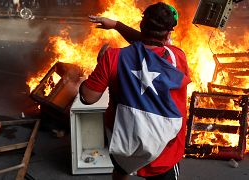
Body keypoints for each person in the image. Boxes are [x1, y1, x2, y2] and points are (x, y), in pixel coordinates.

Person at [79, 2, 190, 180]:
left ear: (141, 26)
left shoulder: (112, 57)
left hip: (124, 140)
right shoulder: (177, 57)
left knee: (122, 170)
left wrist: (100, 63)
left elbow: (88, 98)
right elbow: (149, 43)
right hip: (164, 148)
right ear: (169, 33)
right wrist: (117, 25)